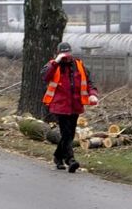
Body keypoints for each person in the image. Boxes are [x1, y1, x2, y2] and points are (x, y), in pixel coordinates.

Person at [41, 41, 99, 173]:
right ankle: (70, 160)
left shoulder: (79, 65)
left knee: (70, 134)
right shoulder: (53, 65)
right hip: (59, 105)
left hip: (75, 105)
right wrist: (56, 61)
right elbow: (45, 76)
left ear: (71, 52)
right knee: (66, 133)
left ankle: (57, 157)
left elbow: (89, 82)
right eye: (63, 52)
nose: (66, 55)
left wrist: (93, 94)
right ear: (58, 53)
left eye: (67, 52)